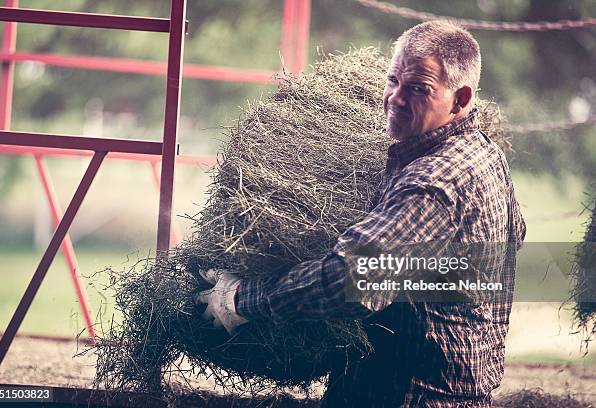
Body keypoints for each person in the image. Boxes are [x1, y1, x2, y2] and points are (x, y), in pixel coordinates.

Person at [196, 20, 526, 408]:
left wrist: (240, 299)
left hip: (409, 394)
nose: (395, 99)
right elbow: (514, 235)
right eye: (393, 81)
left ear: (461, 99)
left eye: (418, 89)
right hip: (456, 385)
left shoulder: (434, 184)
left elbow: (351, 279)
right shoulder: (484, 152)